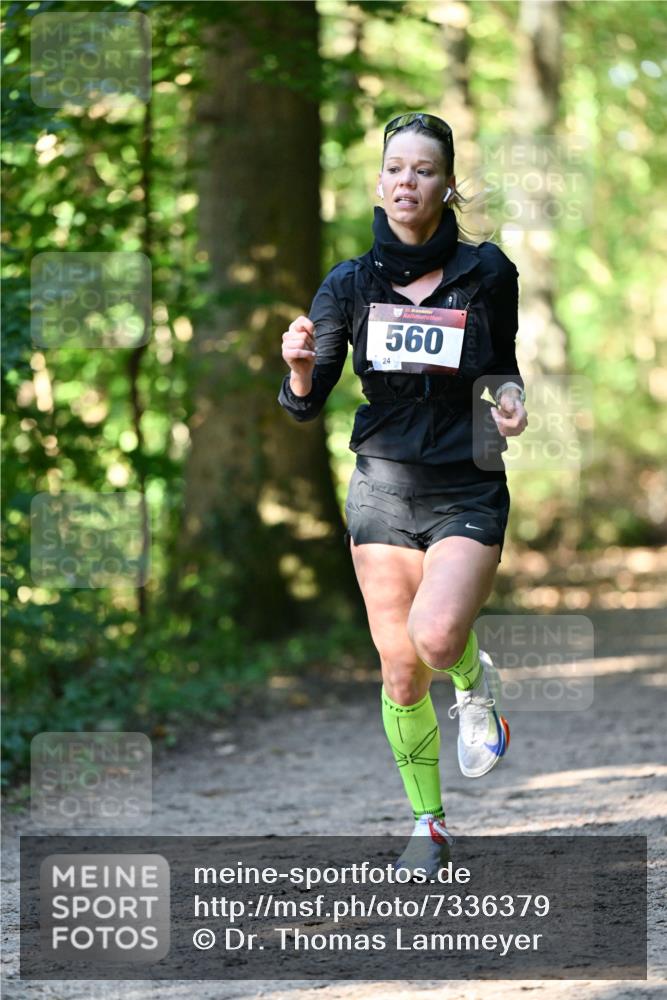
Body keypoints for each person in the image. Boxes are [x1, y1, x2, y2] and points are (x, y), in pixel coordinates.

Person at [279, 112, 528, 876]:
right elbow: (307, 398)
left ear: (444, 185)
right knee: (397, 669)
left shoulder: (486, 272)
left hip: (465, 482)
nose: (405, 181)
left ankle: (473, 682)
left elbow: (503, 365)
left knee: (438, 638)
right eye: (394, 167)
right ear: (379, 180)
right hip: (381, 489)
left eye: (422, 169)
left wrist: (510, 402)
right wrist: (294, 365)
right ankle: (429, 822)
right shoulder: (346, 285)